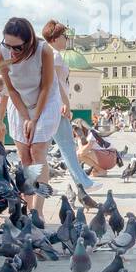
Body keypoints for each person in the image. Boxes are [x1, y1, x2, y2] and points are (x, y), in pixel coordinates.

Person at [0, 17, 60, 215]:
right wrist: (25, 117)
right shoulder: (2, 54)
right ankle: (26, 203)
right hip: (20, 102)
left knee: (38, 151)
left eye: (18, 48)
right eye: (9, 46)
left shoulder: (44, 51)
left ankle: (37, 210)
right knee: (24, 155)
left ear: (29, 41)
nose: (13, 52)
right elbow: (12, 90)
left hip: (45, 100)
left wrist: (34, 118)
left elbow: (46, 87)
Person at [41, 20, 98, 191]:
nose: (66, 39)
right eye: (64, 36)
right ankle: (84, 183)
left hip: (51, 106)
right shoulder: (55, 55)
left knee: (47, 149)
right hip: (57, 107)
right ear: (55, 38)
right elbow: (57, 83)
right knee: (67, 148)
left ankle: (34, 185)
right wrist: (66, 104)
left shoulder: (47, 53)